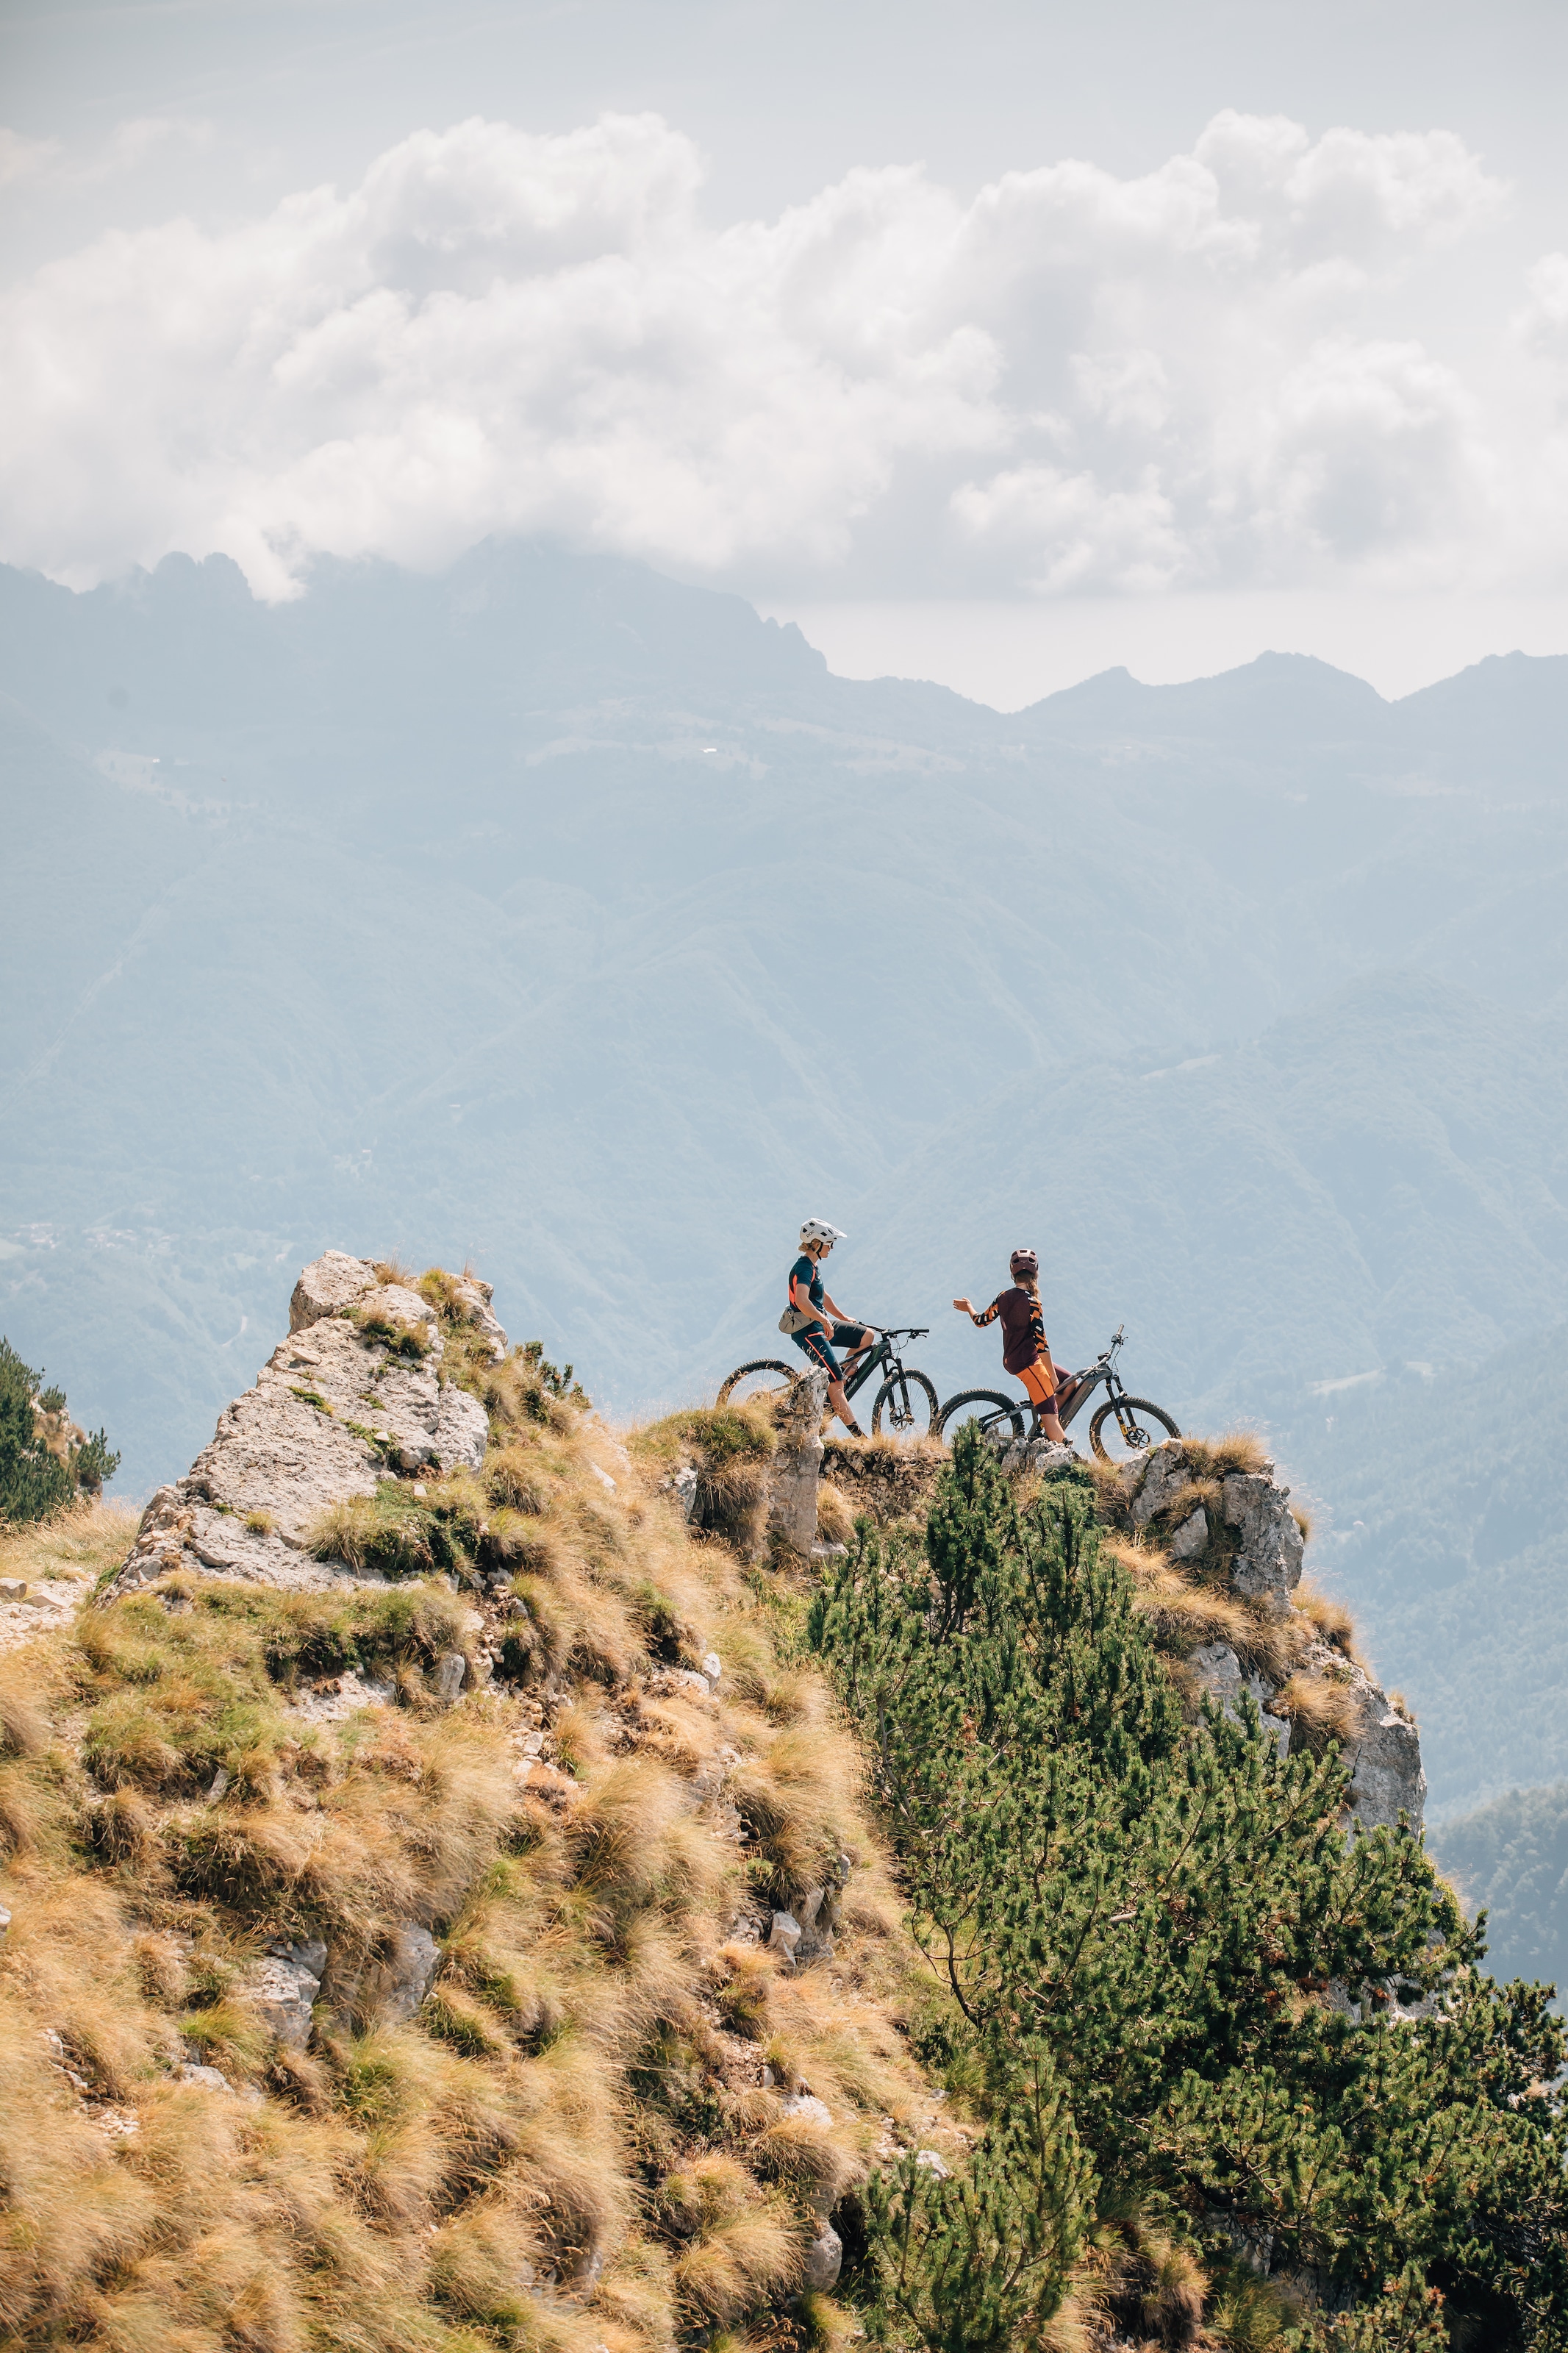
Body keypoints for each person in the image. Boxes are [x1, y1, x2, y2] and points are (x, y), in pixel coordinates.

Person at [953, 1247, 1075, 1443]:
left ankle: (1045, 1419)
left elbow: (981, 1321)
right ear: (1036, 1273)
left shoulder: (1003, 1296)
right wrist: (1051, 1376)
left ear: (1012, 1273)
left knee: (1071, 1382)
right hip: (1028, 1363)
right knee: (1050, 1416)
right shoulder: (1033, 1303)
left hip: (1014, 1359)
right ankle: (1055, 1434)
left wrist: (969, 1308)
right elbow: (1041, 1343)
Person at [783, 1220, 876, 1437]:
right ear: (817, 1243)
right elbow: (803, 1301)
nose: (832, 1248)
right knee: (836, 1382)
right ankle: (859, 1437)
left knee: (867, 1336)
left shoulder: (813, 1266)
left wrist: (843, 1318)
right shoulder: (804, 1268)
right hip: (807, 1329)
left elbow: (823, 1296)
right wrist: (825, 1322)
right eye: (830, 1244)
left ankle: (841, 1374)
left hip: (819, 1322)